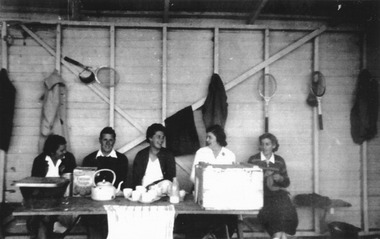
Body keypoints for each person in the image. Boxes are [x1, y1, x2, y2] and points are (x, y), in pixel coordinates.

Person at [181, 124, 236, 238]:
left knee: (229, 219)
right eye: (206, 137)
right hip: (202, 191)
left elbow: (232, 179)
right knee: (196, 220)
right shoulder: (201, 152)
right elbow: (193, 176)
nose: (207, 140)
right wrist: (207, 187)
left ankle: (214, 235)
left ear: (218, 138)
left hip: (222, 194)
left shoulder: (230, 155)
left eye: (210, 137)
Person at [247, 133, 298, 239]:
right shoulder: (253, 160)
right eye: (262, 144)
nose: (264, 147)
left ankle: (280, 235)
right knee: (273, 209)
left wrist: (280, 178)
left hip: (277, 193)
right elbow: (248, 182)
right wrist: (262, 177)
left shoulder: (279, 160)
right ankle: (278, 235)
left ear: (274, 146)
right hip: (260, 194)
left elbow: (287, 182)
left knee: (286, 207)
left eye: (267, 144)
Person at [82, 126, 129, 239]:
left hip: (114, 201)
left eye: (111, 140)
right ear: (100, 140)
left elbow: (122, 183)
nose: (108, 143)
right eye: (105, 139)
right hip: (93, 201)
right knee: (93, 220)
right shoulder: (89, 159)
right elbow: (85, 184)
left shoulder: (122, 159)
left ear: (114, 141)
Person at [28, 134, 77, 239]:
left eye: (65, 149)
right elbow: (34, 186)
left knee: (52, 224)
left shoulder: (69, 158)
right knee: (43, 224)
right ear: (52, 151)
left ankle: (49, 224)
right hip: (43, 201)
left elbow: (73, 180)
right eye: (61, 150)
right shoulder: (39, 161)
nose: (65, 153)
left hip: (63, 201)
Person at [132, 123, 176, 189]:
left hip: (162, 190)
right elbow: (135, 178)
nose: (161, 140)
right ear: (150, 138)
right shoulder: (141, 155)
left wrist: (154, 184)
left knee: (167, 183)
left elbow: (171, 178)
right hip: (144, 191)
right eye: (158, 137)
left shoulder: (168, 154)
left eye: (163, 137)